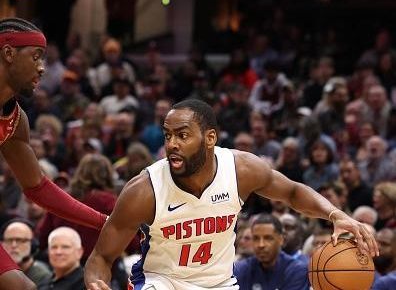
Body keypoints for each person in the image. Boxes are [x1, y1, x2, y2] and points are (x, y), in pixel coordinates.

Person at [85, 99, 378, 290]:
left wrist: (335, 214)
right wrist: (96, 282)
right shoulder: (144, 190)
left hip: (220, 283)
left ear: (210, 138)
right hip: (163, 282)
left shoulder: (240, 169)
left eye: (183, 135)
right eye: (168, 135)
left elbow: (292, 191)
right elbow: (101, 256)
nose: (172, 143)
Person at [0, 17, 107, 290]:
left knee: (22, 286)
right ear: (8, 53)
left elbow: (38, 188)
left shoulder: (15, 120)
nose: (42, 68)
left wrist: (102, 221)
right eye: (36, 57)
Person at [234, 214, 309, 290]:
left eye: (268, 238)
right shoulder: (240, 269)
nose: (261, 245)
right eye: (256, 238)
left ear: (281, 240)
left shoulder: (296, 270)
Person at [1, 218, 51, 287]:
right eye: (9, 240)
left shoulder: (43, 276)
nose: (14, 245)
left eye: (20, 240)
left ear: (33, 244)